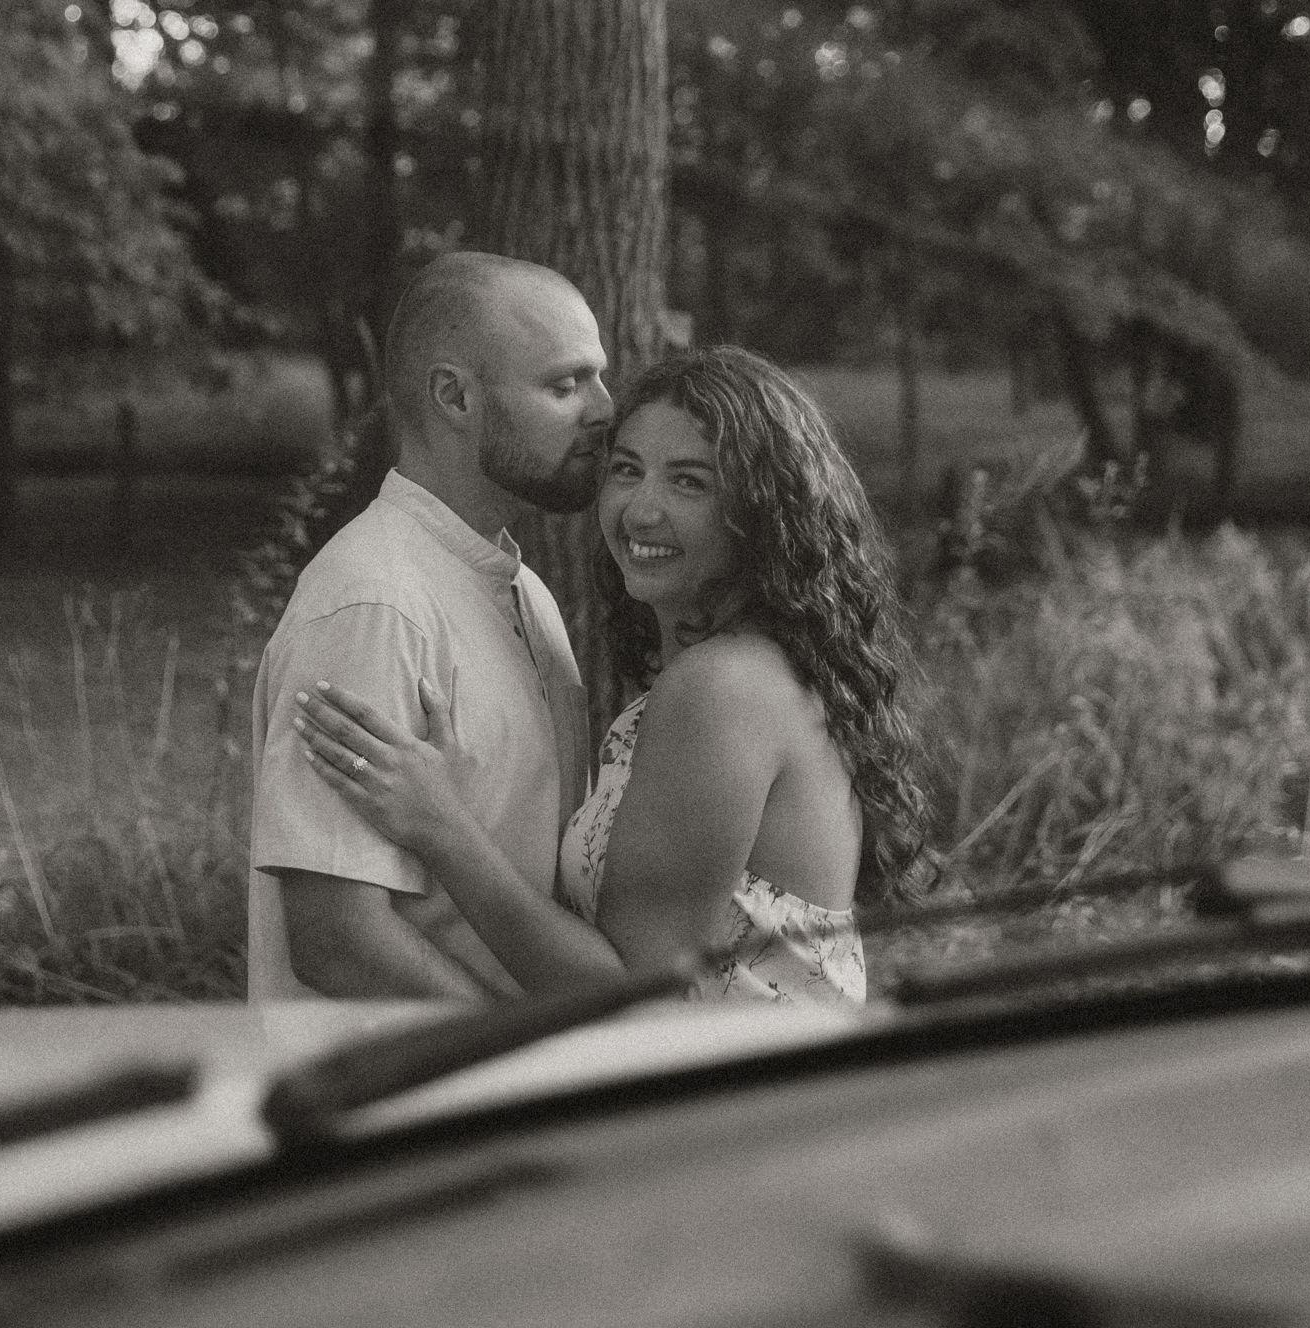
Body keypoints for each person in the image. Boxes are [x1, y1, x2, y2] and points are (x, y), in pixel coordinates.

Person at [294, 345, 928, 1008]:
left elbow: (636, 995)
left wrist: (442, 827)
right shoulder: (752, 670)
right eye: (627, 470)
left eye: (690, 483)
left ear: (764, 511)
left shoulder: (722, 689)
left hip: (735, 1074)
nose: (640, 510)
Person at [246, 251, 611, 1001]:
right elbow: (338, 941)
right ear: (455, 396)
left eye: (598, 378)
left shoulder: (525, 593)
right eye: (565, 385)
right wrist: (515, 1048)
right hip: (408, 1073)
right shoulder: (374, 607)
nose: (605, 409)